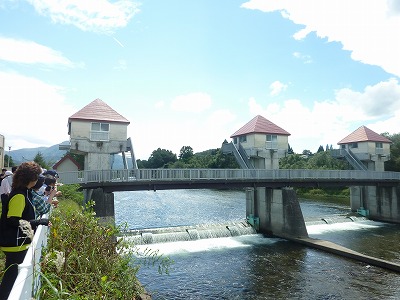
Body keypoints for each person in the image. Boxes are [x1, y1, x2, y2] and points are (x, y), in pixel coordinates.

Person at [0, 162, 50, 299]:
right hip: (14, 243)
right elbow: (12, 219)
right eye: (38, 176)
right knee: (11, 278)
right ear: (31, 178)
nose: (40, 179)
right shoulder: (20, 195)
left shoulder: (25, 193)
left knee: (13, 277)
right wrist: (37, 222)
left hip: (17, 242)